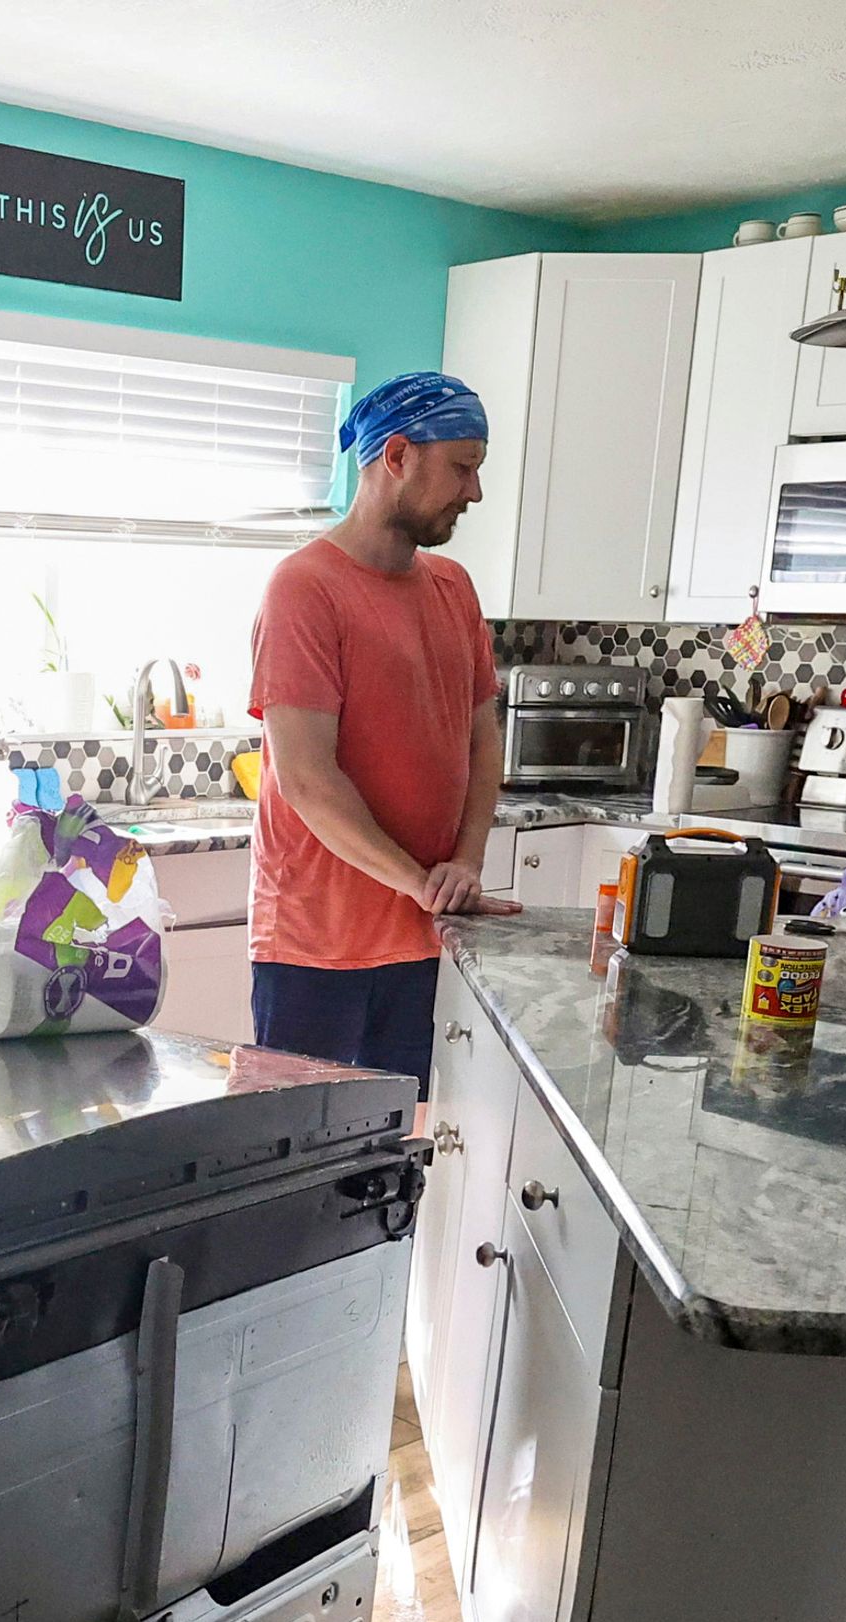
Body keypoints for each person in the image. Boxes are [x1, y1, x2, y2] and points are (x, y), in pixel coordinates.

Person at [243, 369, 513, 1093]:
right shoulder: (305, 589)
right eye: (462, 467)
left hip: (425, 942)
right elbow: (306, 778)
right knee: (304, 1167)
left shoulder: (454, 588)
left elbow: (482, 742)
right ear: (396, 456)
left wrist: (465, 863)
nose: (475, 492)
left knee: (398, 1163)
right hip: (316, 950)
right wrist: (423, 885)